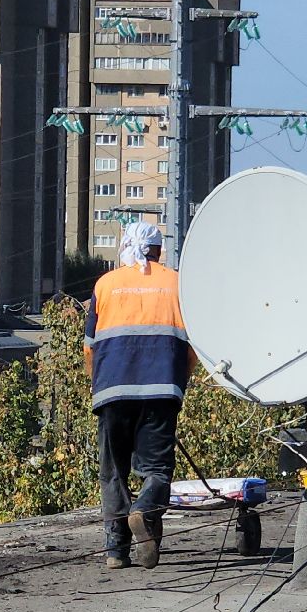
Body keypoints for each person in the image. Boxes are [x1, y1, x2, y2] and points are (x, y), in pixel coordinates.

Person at [84, 220, 195, 570]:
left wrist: (98, 387)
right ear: (160, 251)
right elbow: (192, 347)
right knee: (157, 470)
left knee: (114, 471)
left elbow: (90, 349)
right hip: (162, 389)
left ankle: (116, 551)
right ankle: (144, 511)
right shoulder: (178, 284)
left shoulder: (105, 285)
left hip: (112, 391)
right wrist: (178, 385)